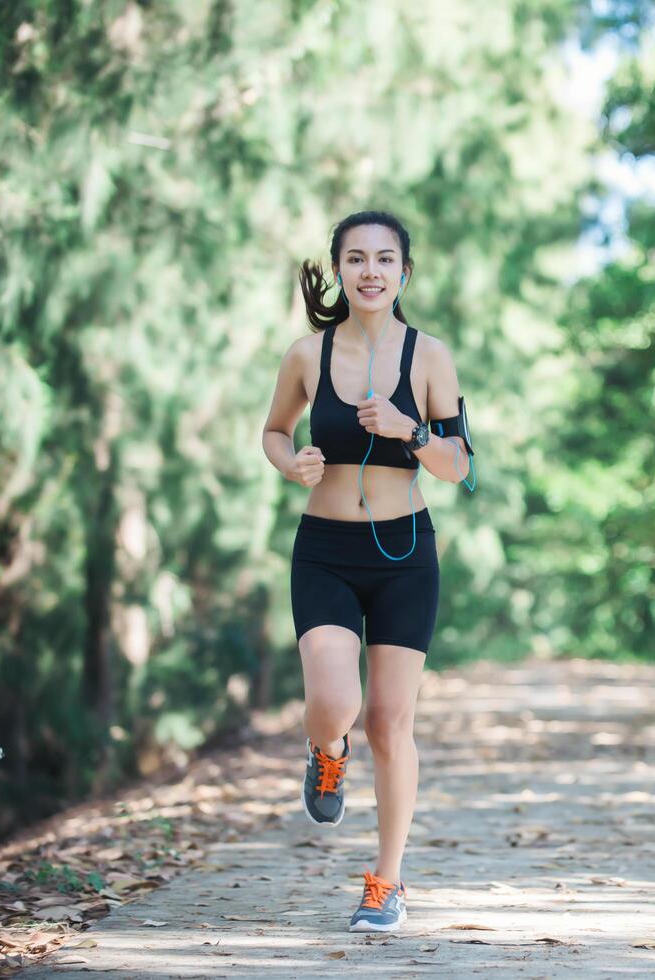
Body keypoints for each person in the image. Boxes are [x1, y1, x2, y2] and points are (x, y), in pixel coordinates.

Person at [261, 210, 475, 933]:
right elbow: (273, 431)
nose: (371, 271)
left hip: (405, 553)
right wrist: (292, 463)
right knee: (332, 702)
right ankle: (327, 751)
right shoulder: (306, 355)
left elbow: (459, 466)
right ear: (341, 270)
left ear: (404, 272)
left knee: (391, 721)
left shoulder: (428, 356)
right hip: (324, 548)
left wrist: (410, 431)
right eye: (356, 259)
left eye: (385, 259)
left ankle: (386, 883)